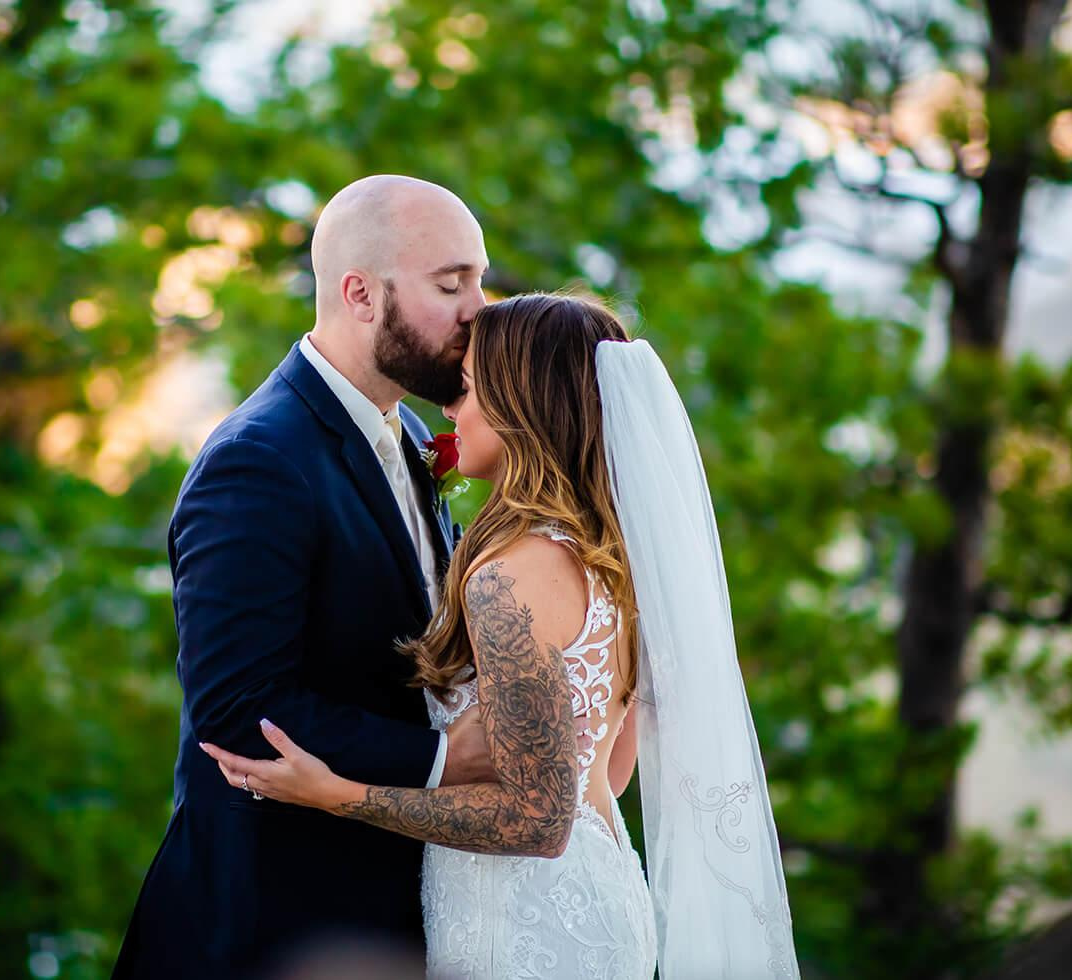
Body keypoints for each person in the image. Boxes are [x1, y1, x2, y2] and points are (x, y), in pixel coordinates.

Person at [204, 293, 802, 978]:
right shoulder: (609, 557)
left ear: (522, 402)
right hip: (599, 892)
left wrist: (333, 794)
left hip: (525, 927)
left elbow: (538, 822)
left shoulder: (512, 577)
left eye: (464, 388)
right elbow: (606, 771)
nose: (449, 411)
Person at [111, 175, 498, 978]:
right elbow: (239, 710)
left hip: (390, 914)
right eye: (451, 283)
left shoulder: (417, 433)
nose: (479, 309)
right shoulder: (258, 460)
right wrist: (441, 759)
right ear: (359, 293)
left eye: (480, 280)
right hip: (271, 923)